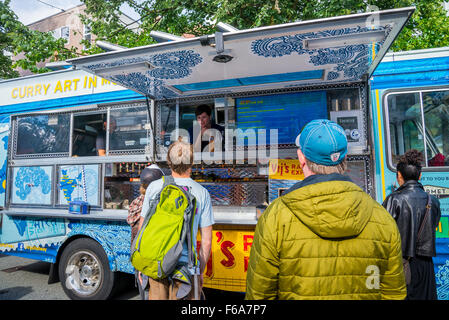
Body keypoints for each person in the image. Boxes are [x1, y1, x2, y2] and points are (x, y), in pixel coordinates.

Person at [245, 119, 406, 300]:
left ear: (301, 158)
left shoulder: (275, 218)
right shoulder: (382, 219)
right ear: (345, 158)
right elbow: (393, 294)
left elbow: (259, 296)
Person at [137, 140, 214, 300]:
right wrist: (199, 272)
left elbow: (142, 228)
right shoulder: (202, 193)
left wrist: (142, 266)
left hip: (156, 264)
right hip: (186, 269)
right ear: (191, 162)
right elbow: (206, 243)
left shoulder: (154, 187)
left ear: (169, 162)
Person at [382, 149, 441, 300]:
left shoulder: (393, 199)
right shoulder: (432, 201)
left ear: (399, 176)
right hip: (426, 265)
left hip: (402, 265)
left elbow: (383, 232)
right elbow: (433, 225)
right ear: (420, 175)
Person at [127, 164, 164, 300]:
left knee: (144, 291)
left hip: (140, 255)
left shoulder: (136, 203)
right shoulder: (161, 202)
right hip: (155, 257)